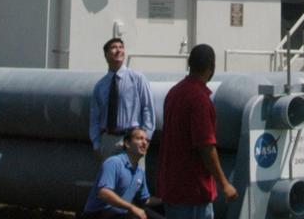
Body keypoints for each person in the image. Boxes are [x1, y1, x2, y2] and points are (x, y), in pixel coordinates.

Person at [156, 42, 237, 219]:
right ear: (212, 67)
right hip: (193, 192)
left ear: (189, 64)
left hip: (172, 187)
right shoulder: (200, 99)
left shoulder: (174, 93)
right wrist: (224, 183)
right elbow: (206, 145)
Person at [90, 38, 156, 160]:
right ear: (106, 55)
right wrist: (96, 144)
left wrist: (145, 140)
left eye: (121, 47)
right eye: (114, 47)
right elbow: (95, 118)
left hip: (133, 140)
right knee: (109, 177)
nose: (118, 50)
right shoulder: (100, 86)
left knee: (133, 178)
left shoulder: (137, 79)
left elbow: (147, 109)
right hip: (108, 141)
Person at [82, 125, 161, 218]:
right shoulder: (114, 163)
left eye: (147, 140)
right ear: (127, 143)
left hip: (119, 215)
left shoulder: (139, 171)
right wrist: (132, 207)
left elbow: (145, 200)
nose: (144, 143)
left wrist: (165, 200)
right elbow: (104, 193)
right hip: (98, 215)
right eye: (139, 139)